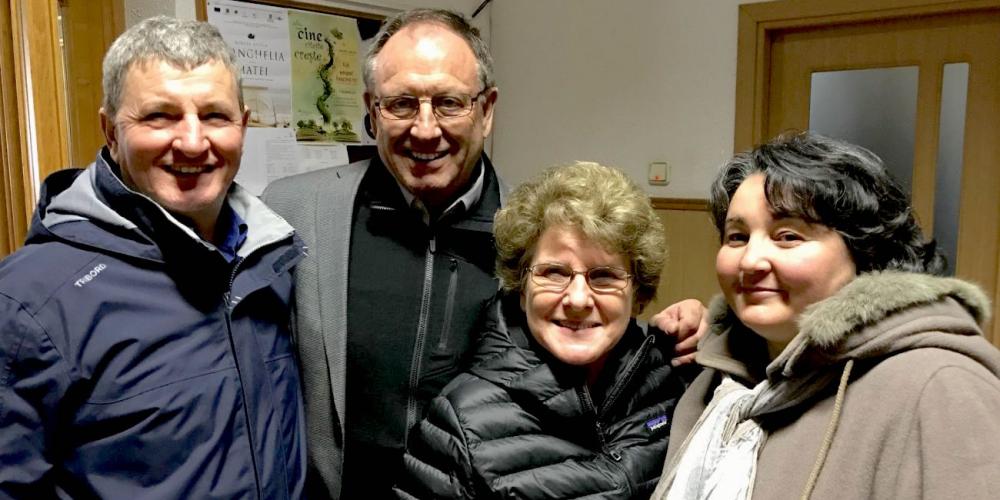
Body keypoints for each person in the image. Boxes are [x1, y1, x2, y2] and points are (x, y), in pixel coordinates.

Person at [263, 8, 704, 499]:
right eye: (402, 104)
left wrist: (695, 331)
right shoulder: (294, 211)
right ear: (371, 109)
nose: (426, 129)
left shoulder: (537, 235)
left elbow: (596, 328)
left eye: (449, 103)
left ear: (487, 109)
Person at [0, 17, 306, 497]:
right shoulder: (27, 301)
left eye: (215, 116)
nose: (191, 141)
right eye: (158, 116)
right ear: (110, 130)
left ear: (243, 126)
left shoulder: (271, 261)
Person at [650, 132, 1000, 500]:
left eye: (787, 236)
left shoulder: (942, 387)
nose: (751, 261)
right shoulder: (717, 381)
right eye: (737, 237)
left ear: (864, 250)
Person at [393, 162, 692, 499]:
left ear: (637, 294)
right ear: (522, 288)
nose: (578, 299)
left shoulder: (675, 383)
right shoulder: (458, 425)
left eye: (604, 276)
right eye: (554, 272)